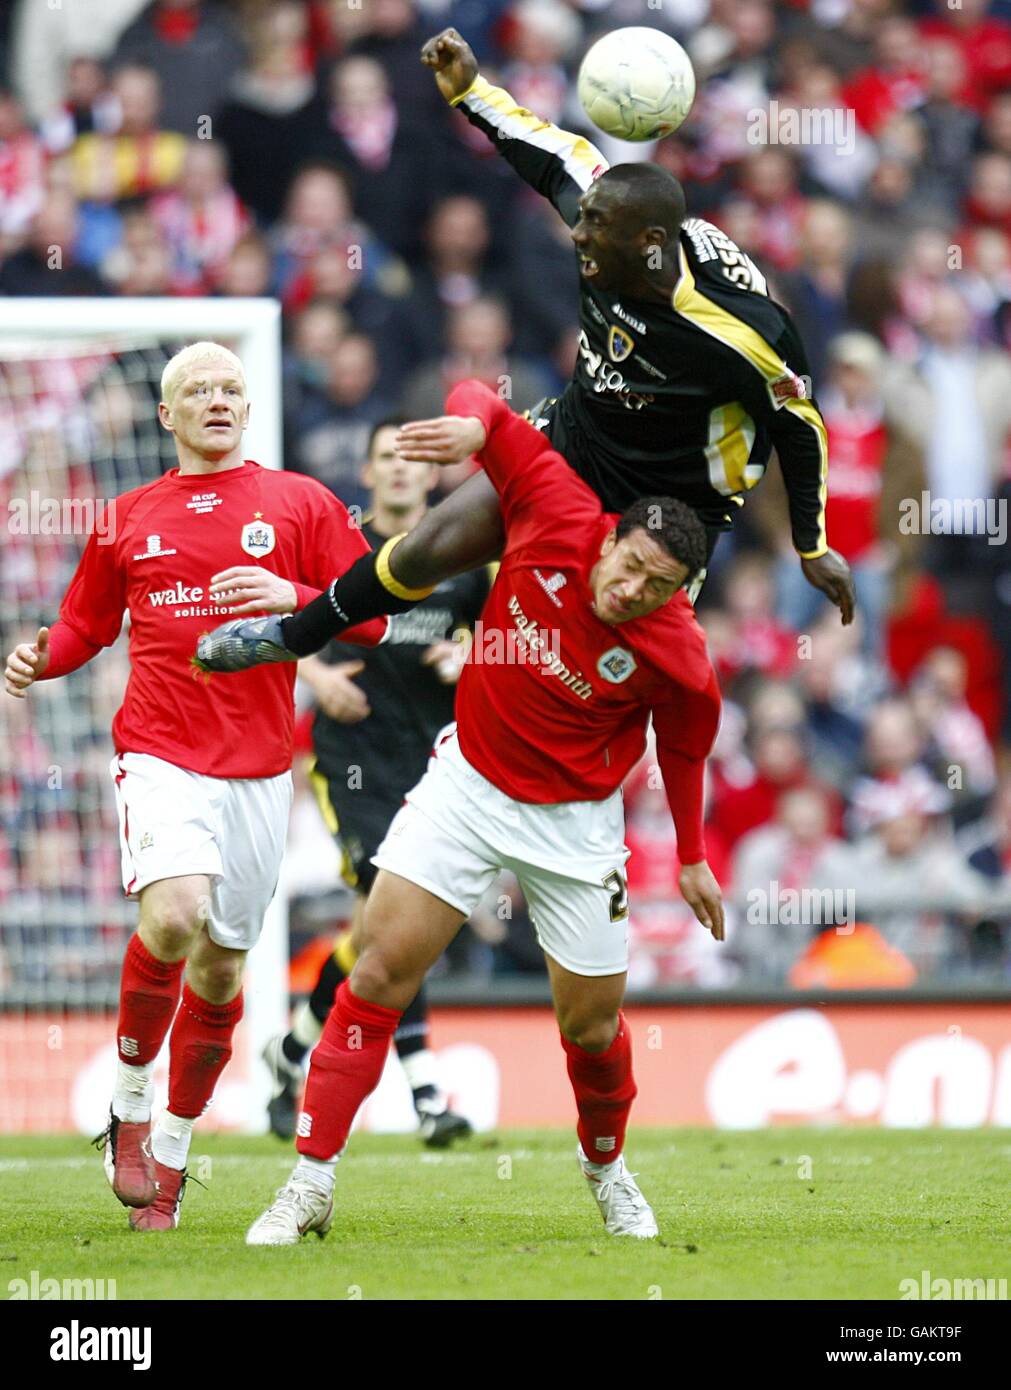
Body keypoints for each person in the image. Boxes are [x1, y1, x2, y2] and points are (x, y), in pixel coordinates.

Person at [191, 26, 853, 678]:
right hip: (579, 437)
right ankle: (290, 636)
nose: (578, 235)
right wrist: (469, 90)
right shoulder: (609, 217)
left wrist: (810, 543)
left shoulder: (734, 329)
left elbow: (798, 423)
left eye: (593, 229)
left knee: (614, 671)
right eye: (582, 220)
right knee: (423, 547)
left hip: (673, 501)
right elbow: (543, 150)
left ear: (650, 241)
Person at [243, 380, 725, 1247]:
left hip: (575, 826)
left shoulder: (682, 660)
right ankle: (309, 1180)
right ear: (608, 536)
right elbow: (494, 417)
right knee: (377, 972)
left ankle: (608, 1170)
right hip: (466, 786)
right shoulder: (555, 506)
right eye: (626, 565)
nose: (627, 590)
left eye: (655, 587)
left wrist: (690, 856)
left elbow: (683, 752)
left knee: (590, 1027)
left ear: (680, 592)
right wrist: (471, 415)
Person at [3, 342, 385, 1231]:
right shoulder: (127, 516)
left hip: (258, 767)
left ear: (247, 410)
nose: (218, 400)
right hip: (160, 751)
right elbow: (85, 626)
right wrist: (39, 658)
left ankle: (171, 1154)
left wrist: (294, 592)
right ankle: (128, 1105)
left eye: (231, 390)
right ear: (166, 417)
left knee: (218, 973)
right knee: (172, 917)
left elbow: (372, 613)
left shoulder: (301, 502)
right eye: (196, 392)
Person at [263, 418, 488, 1146]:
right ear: (365, 472)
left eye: (409, 460)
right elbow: (273, 622)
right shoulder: (337, 550)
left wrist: (473, 658)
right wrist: (313, 675)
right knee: (392, 916)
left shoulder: (464, 554)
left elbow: (510, 636)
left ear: (431, 475)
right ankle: (426, 1094)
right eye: (383, 459)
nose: (397, 471)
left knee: (381, 930)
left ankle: (290, 1051)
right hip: (349, 761)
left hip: (434, 766)